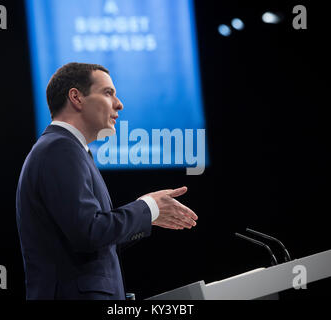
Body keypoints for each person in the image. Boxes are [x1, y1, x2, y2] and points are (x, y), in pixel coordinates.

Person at [16, 62, 198, 300]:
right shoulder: (59, 149)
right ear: (76, 97)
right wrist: (147, 207)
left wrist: (147, 216)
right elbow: (88, 232)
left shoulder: (70, 150)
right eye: (108, 93)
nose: (119, 104)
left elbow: (93, 241)